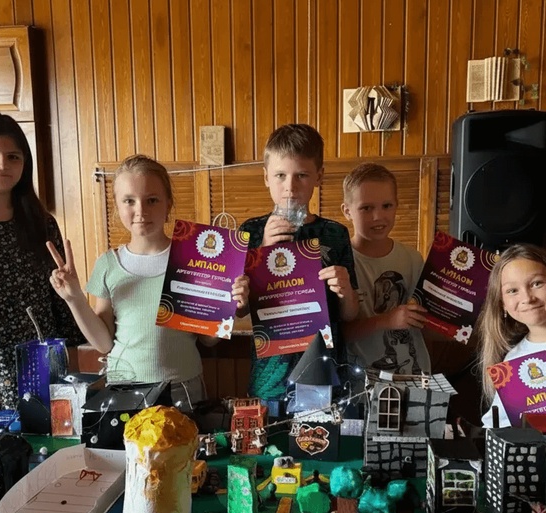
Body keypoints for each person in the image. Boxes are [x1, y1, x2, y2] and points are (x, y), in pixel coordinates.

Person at [48, 154, 249, 412]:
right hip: (125, 391)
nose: (141, 211)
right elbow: (103, 343)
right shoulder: (108, 264)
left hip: (183, 390)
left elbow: (208, 340)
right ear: (117, 206)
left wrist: (229, 306)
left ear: (168, 204)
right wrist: (74, 298)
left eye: (152, 200)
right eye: (129, 201)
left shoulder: (194, 261)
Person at [0, 110, 84, 427]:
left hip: (40, 367)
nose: (2, 164)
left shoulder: (41, 223)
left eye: (13, 156)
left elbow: (60, 301)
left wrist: (73, 368)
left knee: (47, 451)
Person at [239, 124, 359, 407]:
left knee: (320, 434)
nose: (290, 187)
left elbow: (350, 314)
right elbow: (239, 309)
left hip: (323, 369)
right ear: (266, 177)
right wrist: (263, 250)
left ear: (319, 176)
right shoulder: (251, 232)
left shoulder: (335, 233)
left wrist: (345, 290)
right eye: (280, 175)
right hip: (270, 374)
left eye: (302, 175)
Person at [341, 162, 430, 378]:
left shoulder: (412, 258)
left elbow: (426, 320)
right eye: (366, 208)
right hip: (360, 382)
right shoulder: (339, 263)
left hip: (415, 376)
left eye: (387, 206)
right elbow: (334, 334)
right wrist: (386, 320)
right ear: (347, 211)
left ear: (396, 205)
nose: (378, 216)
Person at [478, 243, 546, 428]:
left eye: (537, 284)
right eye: (512, 291)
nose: (527, 298)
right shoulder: (513, 361)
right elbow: (497, 425)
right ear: (503, 304)